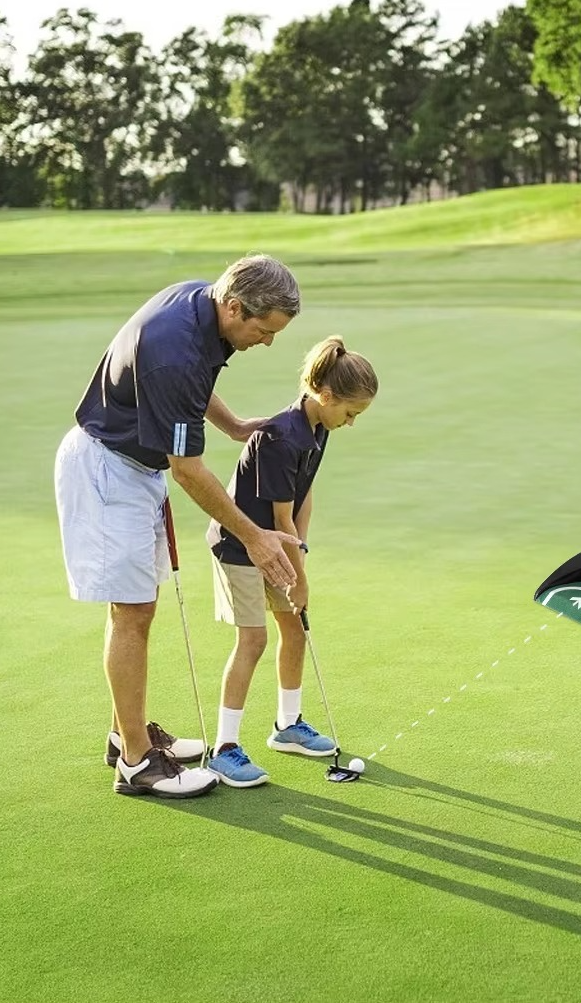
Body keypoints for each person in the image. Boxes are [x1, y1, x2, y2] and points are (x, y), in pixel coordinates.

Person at [54, 254, 303, 799]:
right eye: (263, 331)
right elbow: (189, 470)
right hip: (106, 471)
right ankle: (138, 763)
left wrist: (232, 424)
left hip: (132, 469)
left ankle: (129, 734)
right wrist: (255, 538)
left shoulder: (202, 304)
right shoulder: (175, 348)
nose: (266, 342)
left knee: (136, 608)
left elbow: (192, 386)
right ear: (235, 306)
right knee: (133, 611)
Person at [205, 335, 378, 788]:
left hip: (277, 541)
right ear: (327, 395)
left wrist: (301, 555)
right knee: (254, 640)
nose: (351, 423)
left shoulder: (319, 427)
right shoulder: (283, 436)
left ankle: (288, 727)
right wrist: (298, 580)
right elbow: (279, 518)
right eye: (350, 413)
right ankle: (224, 747)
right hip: (239, 545)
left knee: (294, 629)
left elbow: (303, 500)